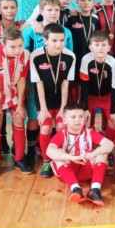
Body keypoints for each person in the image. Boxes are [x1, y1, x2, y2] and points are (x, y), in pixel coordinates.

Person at [23, 0, 73, 168]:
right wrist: (24, 83)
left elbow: (68, 58)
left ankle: (54, 154)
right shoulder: (31, 31)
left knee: (56, 122)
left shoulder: (66, 33)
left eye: (56, 10)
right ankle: (31, 152)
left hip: (57, 83)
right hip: (35, 83)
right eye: (49, 9)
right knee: (34, 118)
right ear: (41, 11)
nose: (53, 13)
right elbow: (23, 57)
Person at [30, 23, 76, 178]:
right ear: (45, 40)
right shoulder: (36, 56)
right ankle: (46, 160)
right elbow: (38, 84)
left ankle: (60, 158)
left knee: (62, 126)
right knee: (45, 128)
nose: (58, 44)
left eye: (61, 40)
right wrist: (43, 109)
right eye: (54, 40)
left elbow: (65, 84)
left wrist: (63, 108)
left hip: (61, 99)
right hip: (43, 99)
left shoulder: (70, 56)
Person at [46, 104, 115, 206]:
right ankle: (75, 189)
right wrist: (71, 157)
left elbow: (110, 144)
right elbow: (49, 151)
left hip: (86, 168)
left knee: (103, 153)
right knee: (58, 154)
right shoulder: (61, 134)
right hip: (68, 170)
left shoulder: (90, 132)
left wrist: (94, 153)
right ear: (65, 120)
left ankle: (95, 190)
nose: (78, 120)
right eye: (73, 117)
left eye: (81, 116)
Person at [0, 27, 31, 178]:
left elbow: (22, 80)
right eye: (12, 46)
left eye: (20, 45)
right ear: (3, 44)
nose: (17, 50)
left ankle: (19, 158)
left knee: (19, 118)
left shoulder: (26, 55)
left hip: (14, 92)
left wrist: (21, 104)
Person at [79, 31, 115, 142]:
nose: (100, 48)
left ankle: (108, 144)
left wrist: (113, 111)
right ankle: (90, 143)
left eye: (103, 45)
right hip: (90, 96)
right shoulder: (86, 60)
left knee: (114, 121)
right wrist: (85, 109)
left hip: (107, 96)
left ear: (109, 48)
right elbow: (84, 85)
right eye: (97, 45)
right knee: (86, 120)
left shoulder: (113, 62)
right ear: (90, 47)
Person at [66, 0, 99, 105]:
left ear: (94, 2)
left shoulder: (95, 19)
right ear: (77, 2)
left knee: (87, 89)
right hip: (76, 59)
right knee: (74, 90)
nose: (86, 2)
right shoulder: (71, 19)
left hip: (90, 59)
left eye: (89, 0)